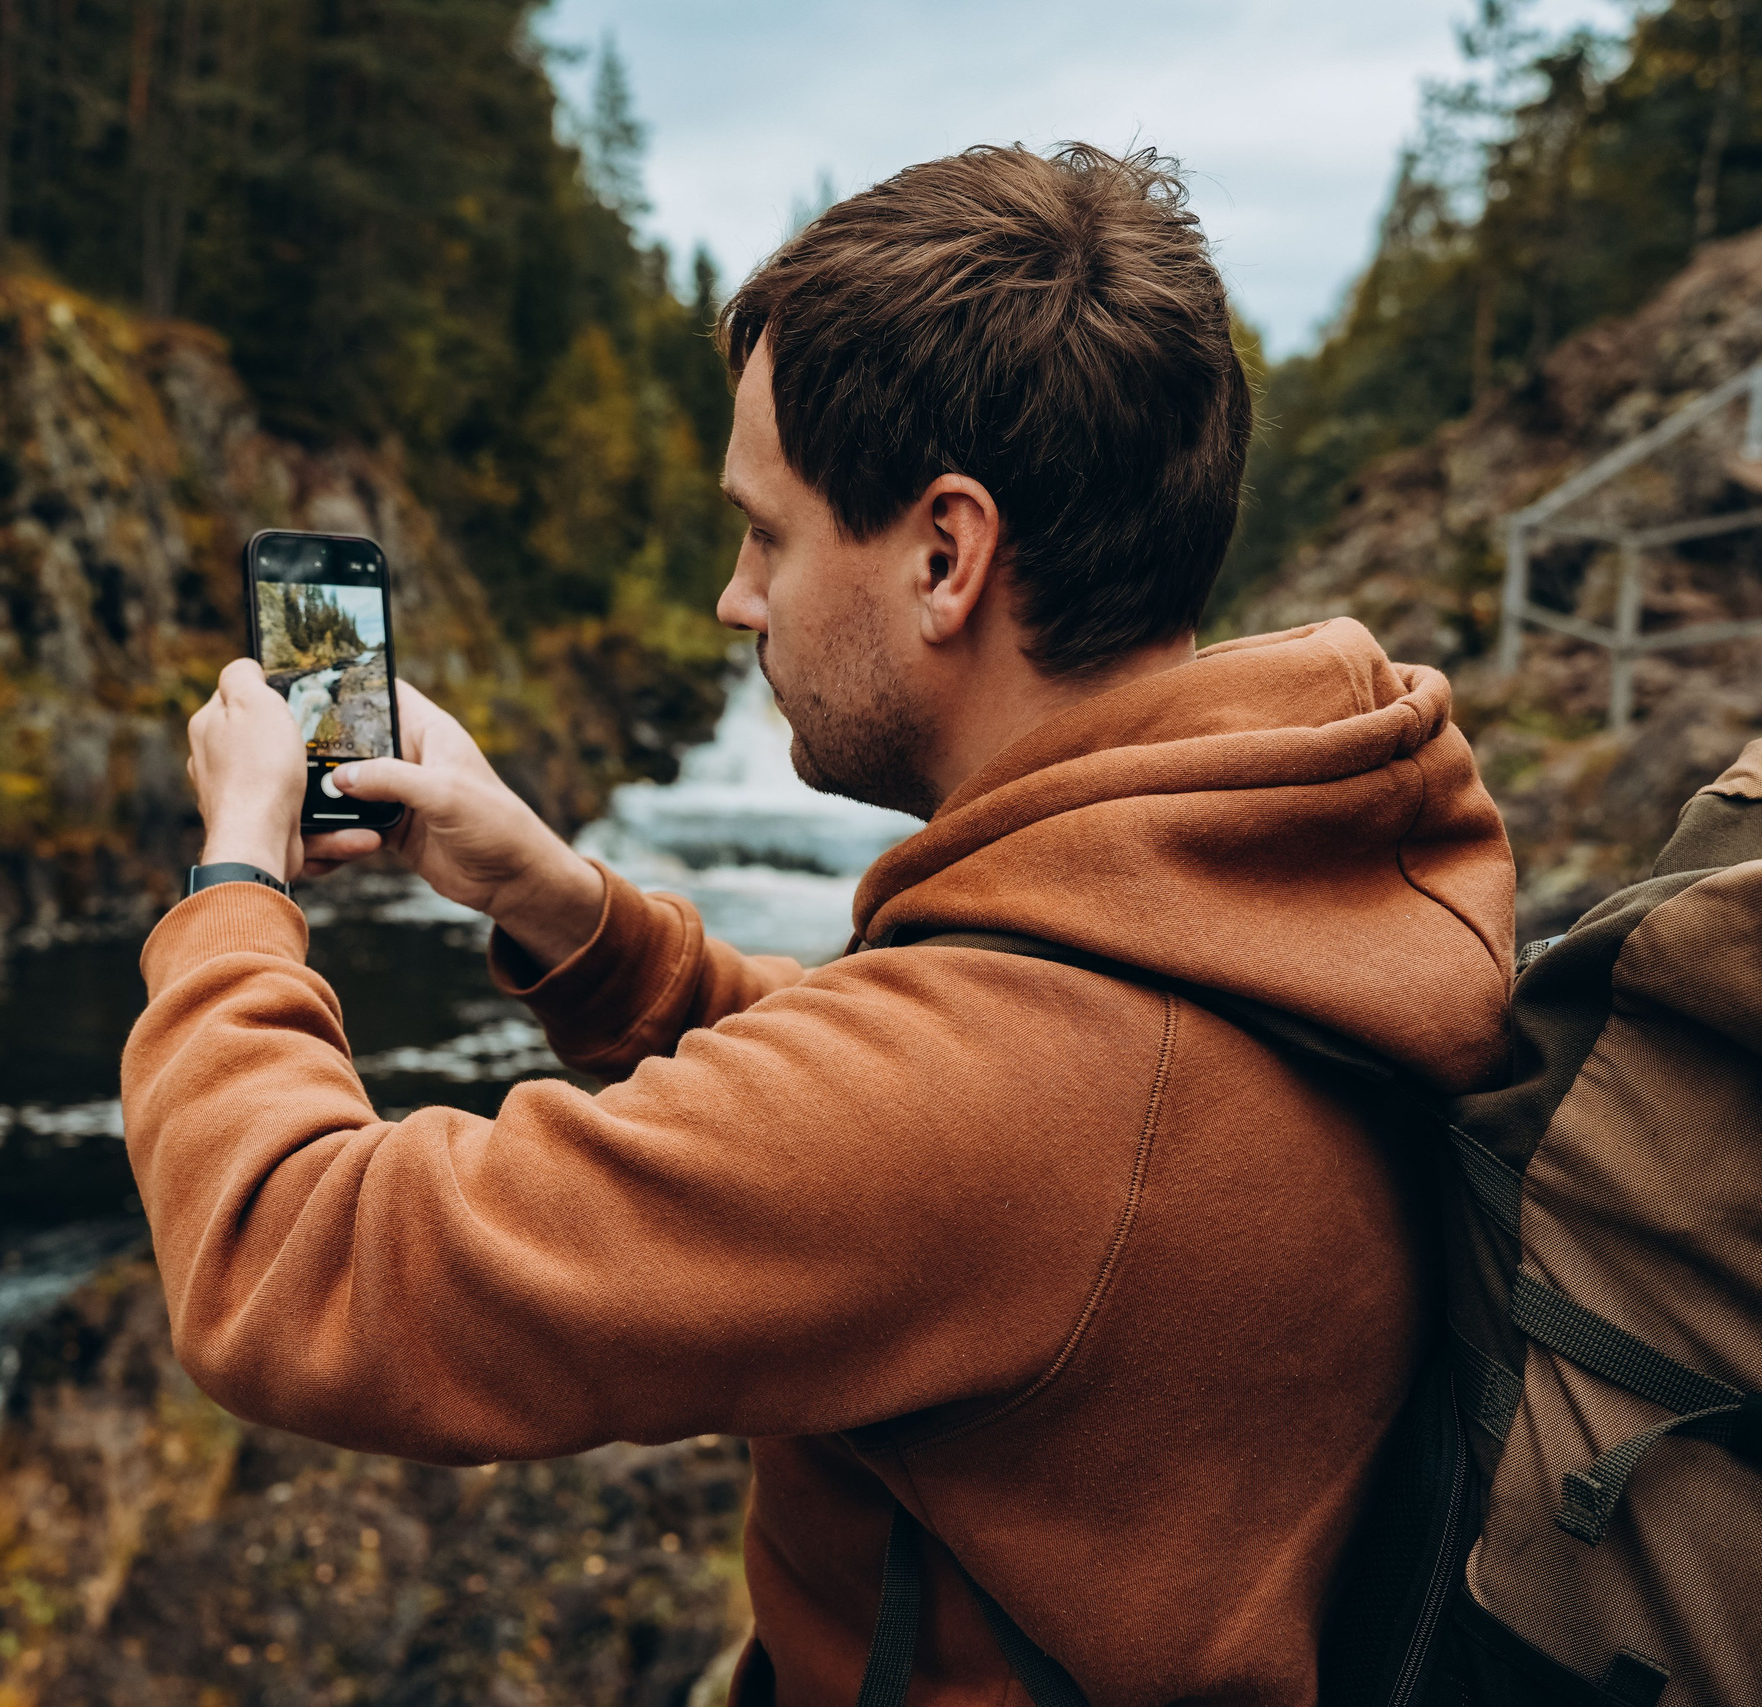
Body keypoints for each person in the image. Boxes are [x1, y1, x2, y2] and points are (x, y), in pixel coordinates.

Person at [123, 144, 1515, 1706]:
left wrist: (236, 882)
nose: (736, 597)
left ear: (945, 554)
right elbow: (901, 1104)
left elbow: (292, 1270)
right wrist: (558, 901)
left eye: (767, 532)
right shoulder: (1285, 877)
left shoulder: (997, 1101)